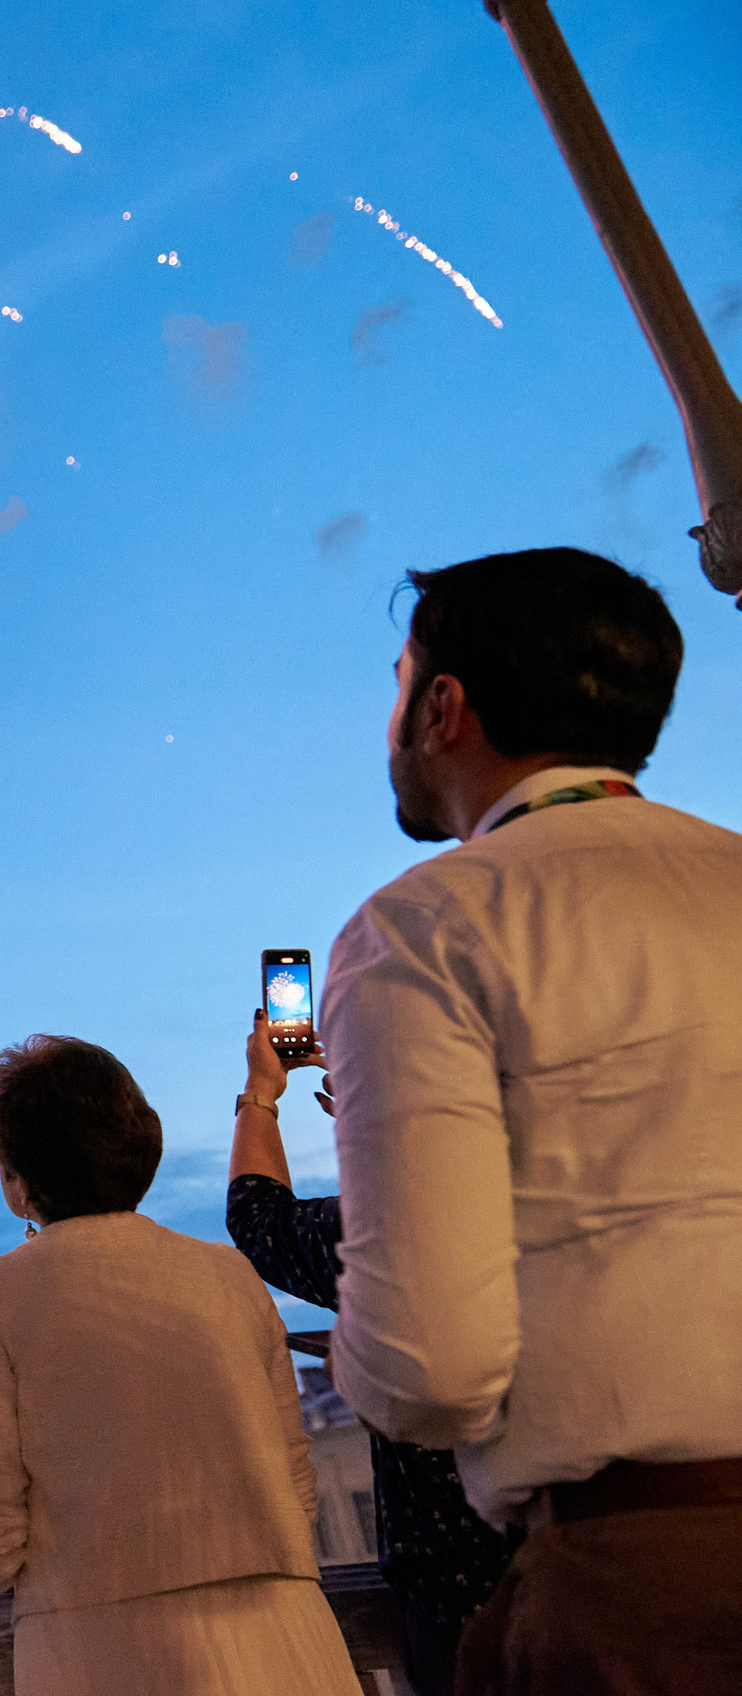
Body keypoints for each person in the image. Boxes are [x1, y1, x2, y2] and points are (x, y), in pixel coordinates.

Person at [321, 546, 742, 1695]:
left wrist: (350, 1353)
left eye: (400, 680)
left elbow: (431, 1364)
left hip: (652, 1583)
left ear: (443, 707)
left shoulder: (422, 931)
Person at [0, 1034, 360, 1696]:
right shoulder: (229, 1276)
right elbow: (296, 1488)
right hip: (287, 1640)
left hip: (105, 1652)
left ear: (18, 1183)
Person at [227, 1011, 520, 1696]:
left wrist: (261, 1095)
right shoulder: (571, 1204)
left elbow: (259, 1217)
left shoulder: (387, 1228)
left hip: (457, 1585)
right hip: (592, 1554)